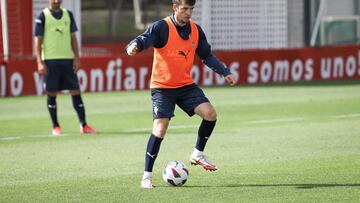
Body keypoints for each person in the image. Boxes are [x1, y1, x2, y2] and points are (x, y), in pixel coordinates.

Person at [126, 0, 237, 188]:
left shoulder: (195, 30)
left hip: (185, 85)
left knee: (210, 114)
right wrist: (134, 45)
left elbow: (206, 55)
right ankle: (146, 176)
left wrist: (224, 72)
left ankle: (197, 154)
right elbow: (144, 39)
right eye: (185, 9)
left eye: (191, 9)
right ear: (175, 8)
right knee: (160, 129)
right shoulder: (162, 27)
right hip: (162, 87)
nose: (188, 13)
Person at [34, 0, 96, 136]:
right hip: (50, 61)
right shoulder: (42, 17)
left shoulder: (68, 14)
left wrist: (77, 58)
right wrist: (39, 61)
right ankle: (55, 126)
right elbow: (38, 40)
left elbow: (73, 37)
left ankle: (83, 125)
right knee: (51, 93)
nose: (57, 1)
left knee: (75, 90)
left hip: (67, 60)